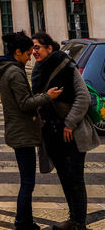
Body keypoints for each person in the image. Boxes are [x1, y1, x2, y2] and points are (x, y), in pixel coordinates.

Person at [31, 31, 100, 230]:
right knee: (64, 177)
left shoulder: (66, 66)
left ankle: (79, 223)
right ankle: (73, 219)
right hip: (52, 134)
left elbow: (83, 98)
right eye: (32, 47)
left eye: (37, 47)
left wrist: (69, 123)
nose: (34, 51)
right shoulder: (37, 69)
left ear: (49, 48)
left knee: (75, 179)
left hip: (72, 133)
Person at [0, 31, 60, 230]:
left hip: (19, 131)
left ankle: (25, 221)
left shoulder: (12, 69)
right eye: (27, 53)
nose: (30, 55)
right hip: (21, 133)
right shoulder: (14, 72)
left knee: (27, 181)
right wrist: (47, 96)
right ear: (17, 52)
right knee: (27, 182)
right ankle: (23, 222)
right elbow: (24, 103)